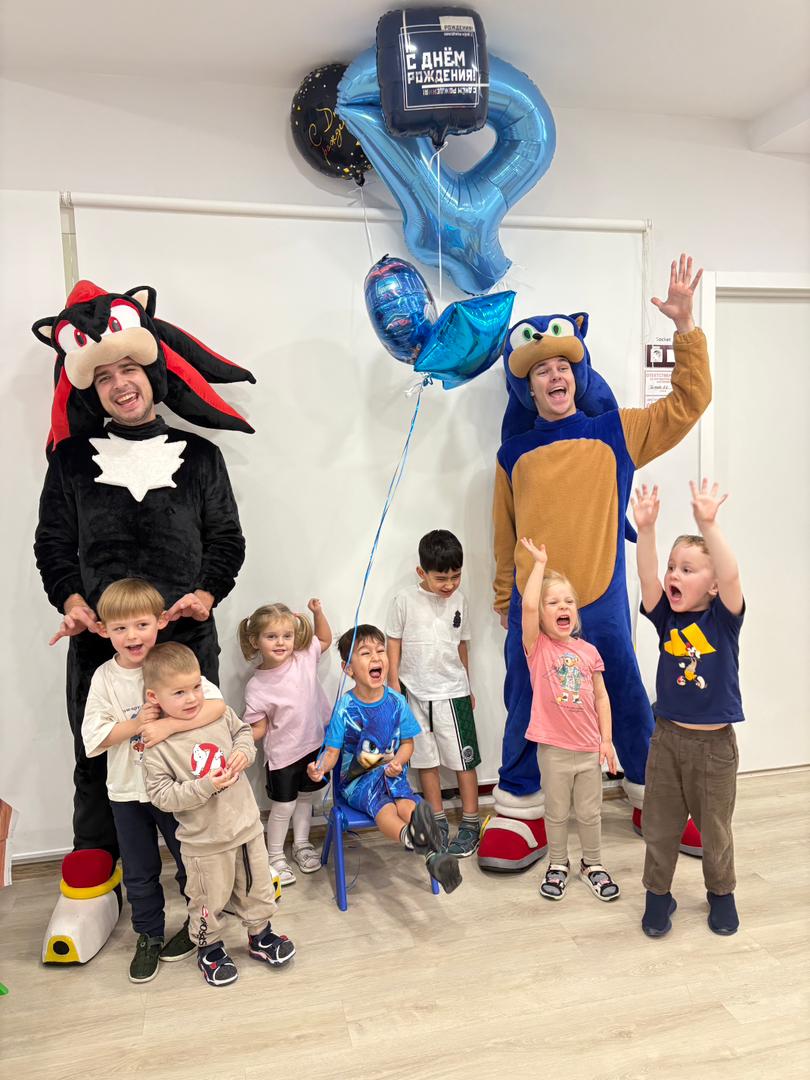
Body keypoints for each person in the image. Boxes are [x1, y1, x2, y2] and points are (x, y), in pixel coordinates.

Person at [482, 254, 712, 873]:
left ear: (577, 376)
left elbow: (689, 402)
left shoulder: (617, 431)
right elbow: (504, 536)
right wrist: (506, 600)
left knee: (625, 692)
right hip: (534, 605)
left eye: (563, 365)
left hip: (601, 598)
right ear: (527, 388)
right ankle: (521, 808)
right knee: (527, 698)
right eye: (541, 370)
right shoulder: (512, 455)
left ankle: (650, 794)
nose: (554, 374)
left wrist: (684, 327)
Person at [34, 281, 249, 884]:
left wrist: (206, 594)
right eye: (104, 376)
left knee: (194, 745)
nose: (119, 384)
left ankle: (211, 857)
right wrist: (72, 600)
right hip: (100, 642)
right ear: (91, 387)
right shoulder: (69, 460)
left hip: (184, 640)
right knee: (97, 750)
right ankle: (98, 853)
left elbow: (227, 540)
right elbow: (53, 544)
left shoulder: (201, 456)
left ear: (152, 373)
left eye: (129, 368)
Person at [80, 578, 227, 983]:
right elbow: (94, 739)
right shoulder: (105, 678)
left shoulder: (170, 663)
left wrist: (166, 726)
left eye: (141, 625)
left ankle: (199, 926)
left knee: (190, 864)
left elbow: (217, 706)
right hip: (127, 794)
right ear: (103, 630)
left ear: (161, 622)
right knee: (139, 871)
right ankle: (148, 935)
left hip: (177, 792)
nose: (132, 636)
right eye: (121, 627)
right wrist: (136, 725)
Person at [142, 643, 295, 987]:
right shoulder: (157, 746)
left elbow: (243, 732)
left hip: (246, 827)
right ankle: (209, 948)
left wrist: (243, 752)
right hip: (205, 843)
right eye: (179, 692)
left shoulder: (218, 715)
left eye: (196, 686)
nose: (192, 698)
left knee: (257, 888)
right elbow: (162, 796)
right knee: (207, 900)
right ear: (154, 697)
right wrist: (205, 786)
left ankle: (260, 935)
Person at [632, 480, 744, 938]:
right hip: (667, 741)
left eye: (688, 569)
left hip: (714, 748)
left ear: (713, 586)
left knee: (715, 830)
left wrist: (708, 524)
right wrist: (647, 530)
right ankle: (658, 895)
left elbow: (732, 576)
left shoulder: (723, 619)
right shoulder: (667, 618)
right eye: (673, 568)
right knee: (659, 827)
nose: (674, 575)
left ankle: (721, 892)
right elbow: (647, 578)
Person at [307, 626, 462, 894]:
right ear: (348, 668)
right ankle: (410, 837)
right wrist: (319, 768)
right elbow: (331, 753)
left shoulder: (397, 702)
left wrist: (399, 761)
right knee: (386, 809)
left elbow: (408, 744)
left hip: (393, 775)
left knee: (407, 804)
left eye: (380, 650)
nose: (376, 657)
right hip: (358, 783)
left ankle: (432, 853)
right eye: (365, 653)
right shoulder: (345, 708)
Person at [519, 539, 620, 902]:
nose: (562, 607)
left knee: (591, 813)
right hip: (554, 750)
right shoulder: (538, 648)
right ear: (542, 615)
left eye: (568, 602)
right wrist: (539, 565)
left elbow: (602, 697)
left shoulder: (588, 652)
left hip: (589, 750)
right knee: (557, 812)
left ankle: (592, 864)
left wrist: (606, 740)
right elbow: (528, 604)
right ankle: (558, 864)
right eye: (553, 603)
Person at [386, 530, 481, 857]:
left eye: (456, 576)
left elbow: (462, 644)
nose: (449, 584)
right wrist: (394, 685)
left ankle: (471, 823)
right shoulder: (404, 600)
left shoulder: (460, 600)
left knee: (464, 760)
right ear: (421, 572)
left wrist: (468, 685)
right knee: (425, 760)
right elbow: (393, 642)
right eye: (441, 578)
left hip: (453, 692)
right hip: (414, 693)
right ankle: (437, 820)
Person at [239, 599, 332, 885]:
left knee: (305, 800)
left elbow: (325, 639)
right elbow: (258, 727)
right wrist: (236, 742)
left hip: (314, 747)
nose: (281, 643)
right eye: (271, 636)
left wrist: (317, 613)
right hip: (283, 757)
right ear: (255, 641)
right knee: (283, 806)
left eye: (287, 636)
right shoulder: (256, 686)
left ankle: (302, 844)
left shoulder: (304, 656)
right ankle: (275, 855)